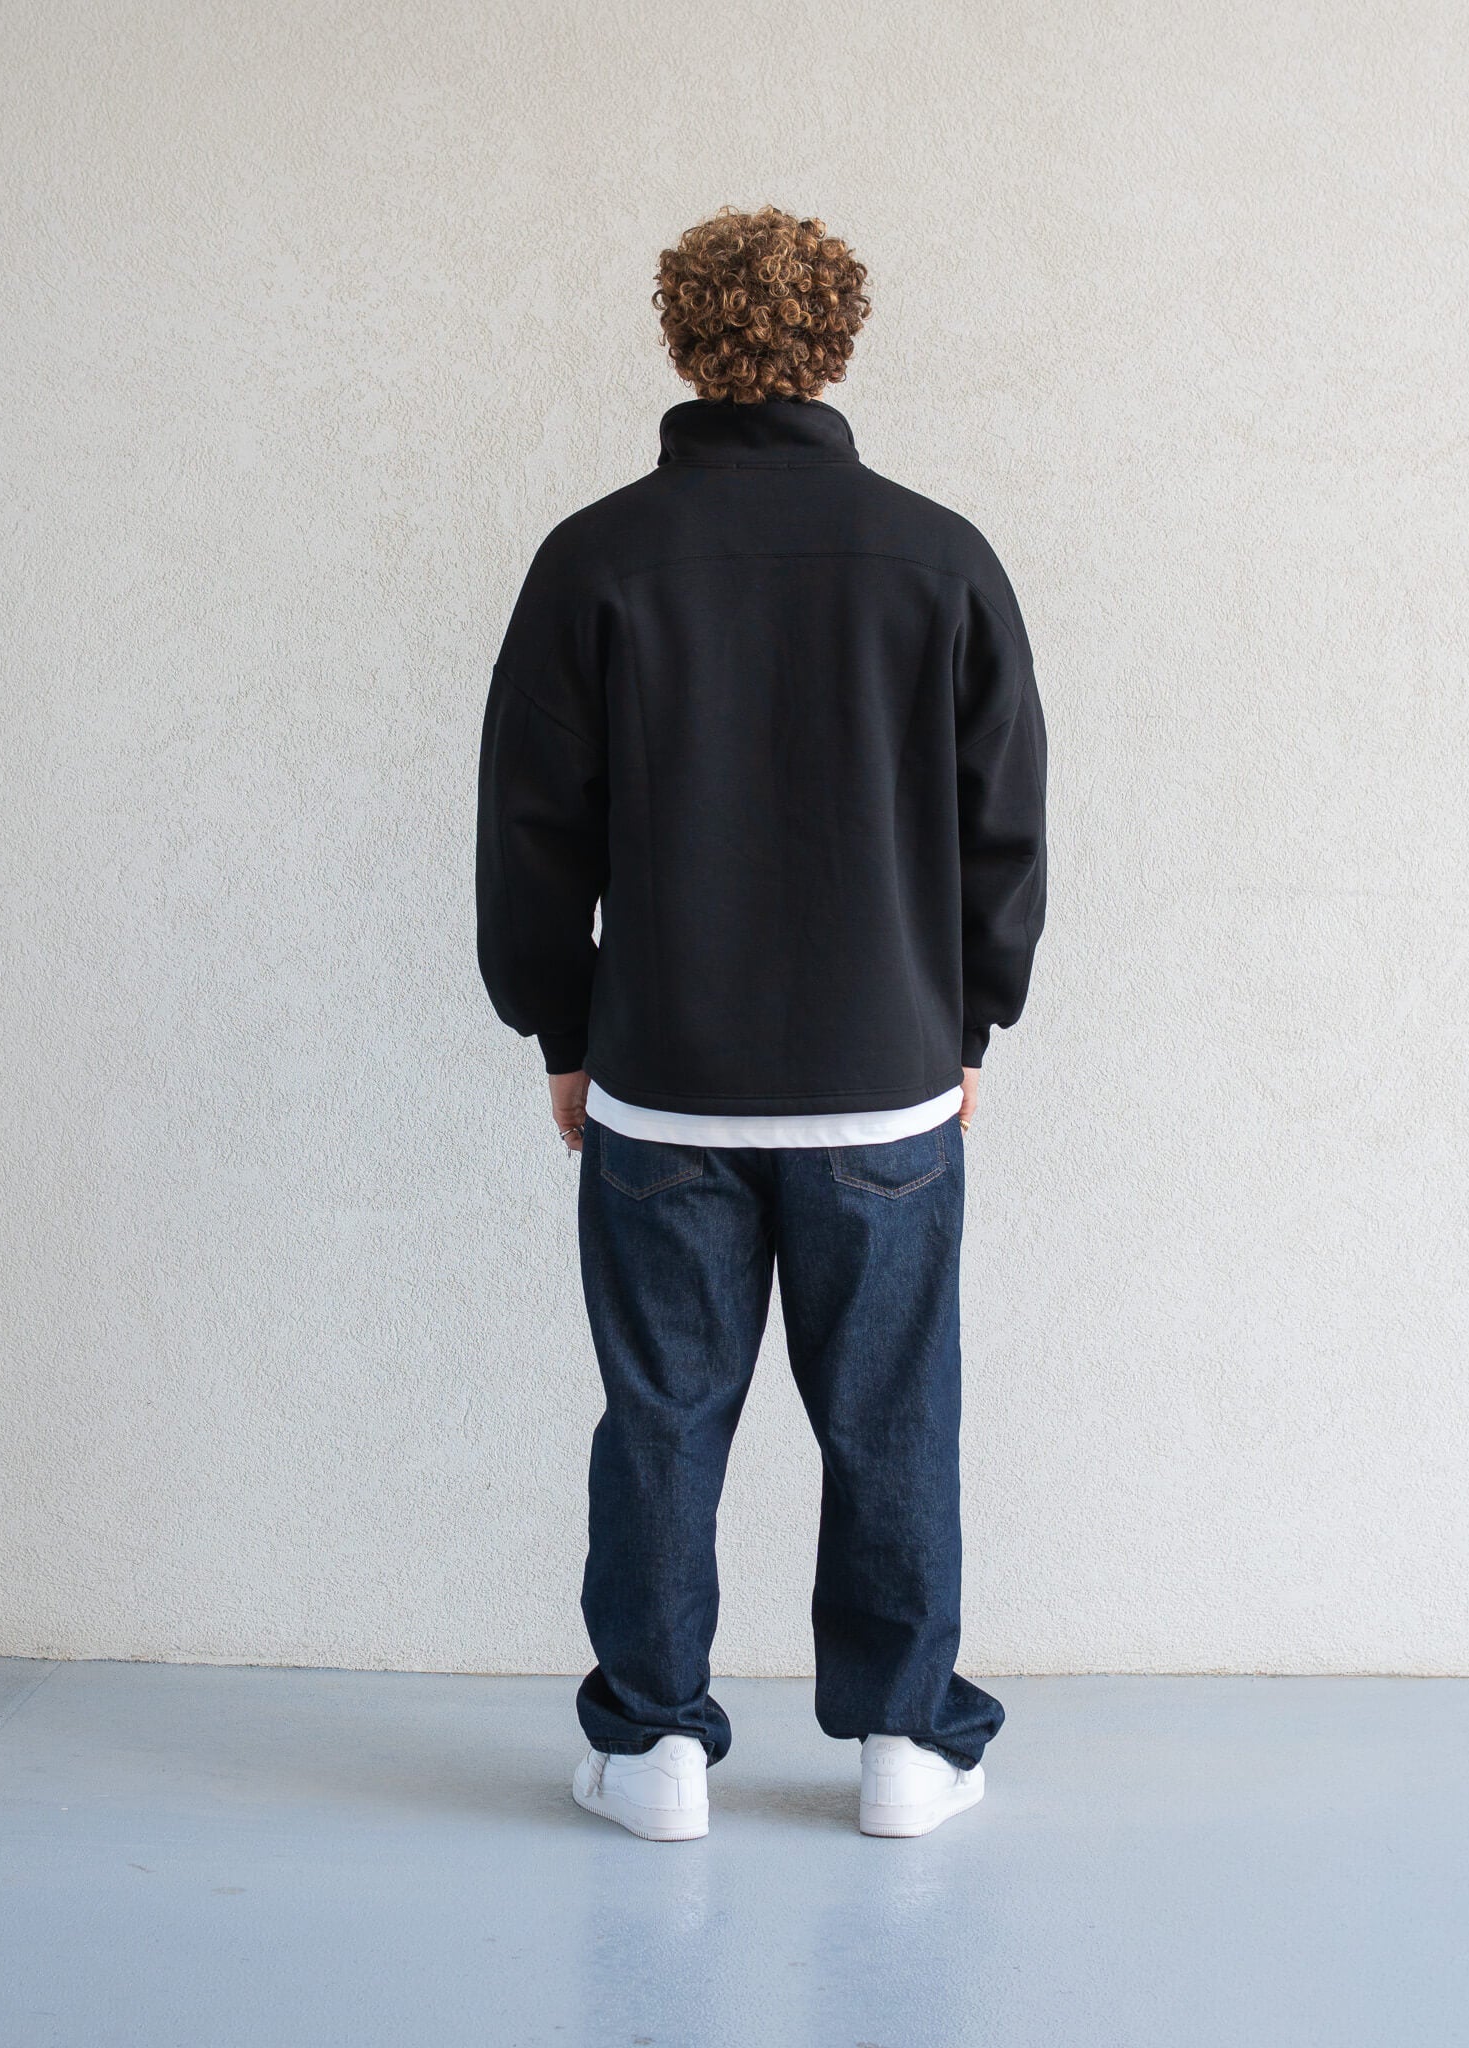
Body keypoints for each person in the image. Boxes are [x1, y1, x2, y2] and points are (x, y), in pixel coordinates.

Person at [475, 204, 1047, 1841]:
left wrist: (561, 1031)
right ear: (837, 339)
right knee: (892, 1418)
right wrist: (968, 1025)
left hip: (664, 1079)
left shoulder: (596, 558)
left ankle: (653, 1746)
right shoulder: (938, 557)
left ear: (679, 336)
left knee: (663, 1416)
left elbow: (531, 830)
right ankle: (907, 1746)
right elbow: (1004, 827)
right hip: (884, 1084)